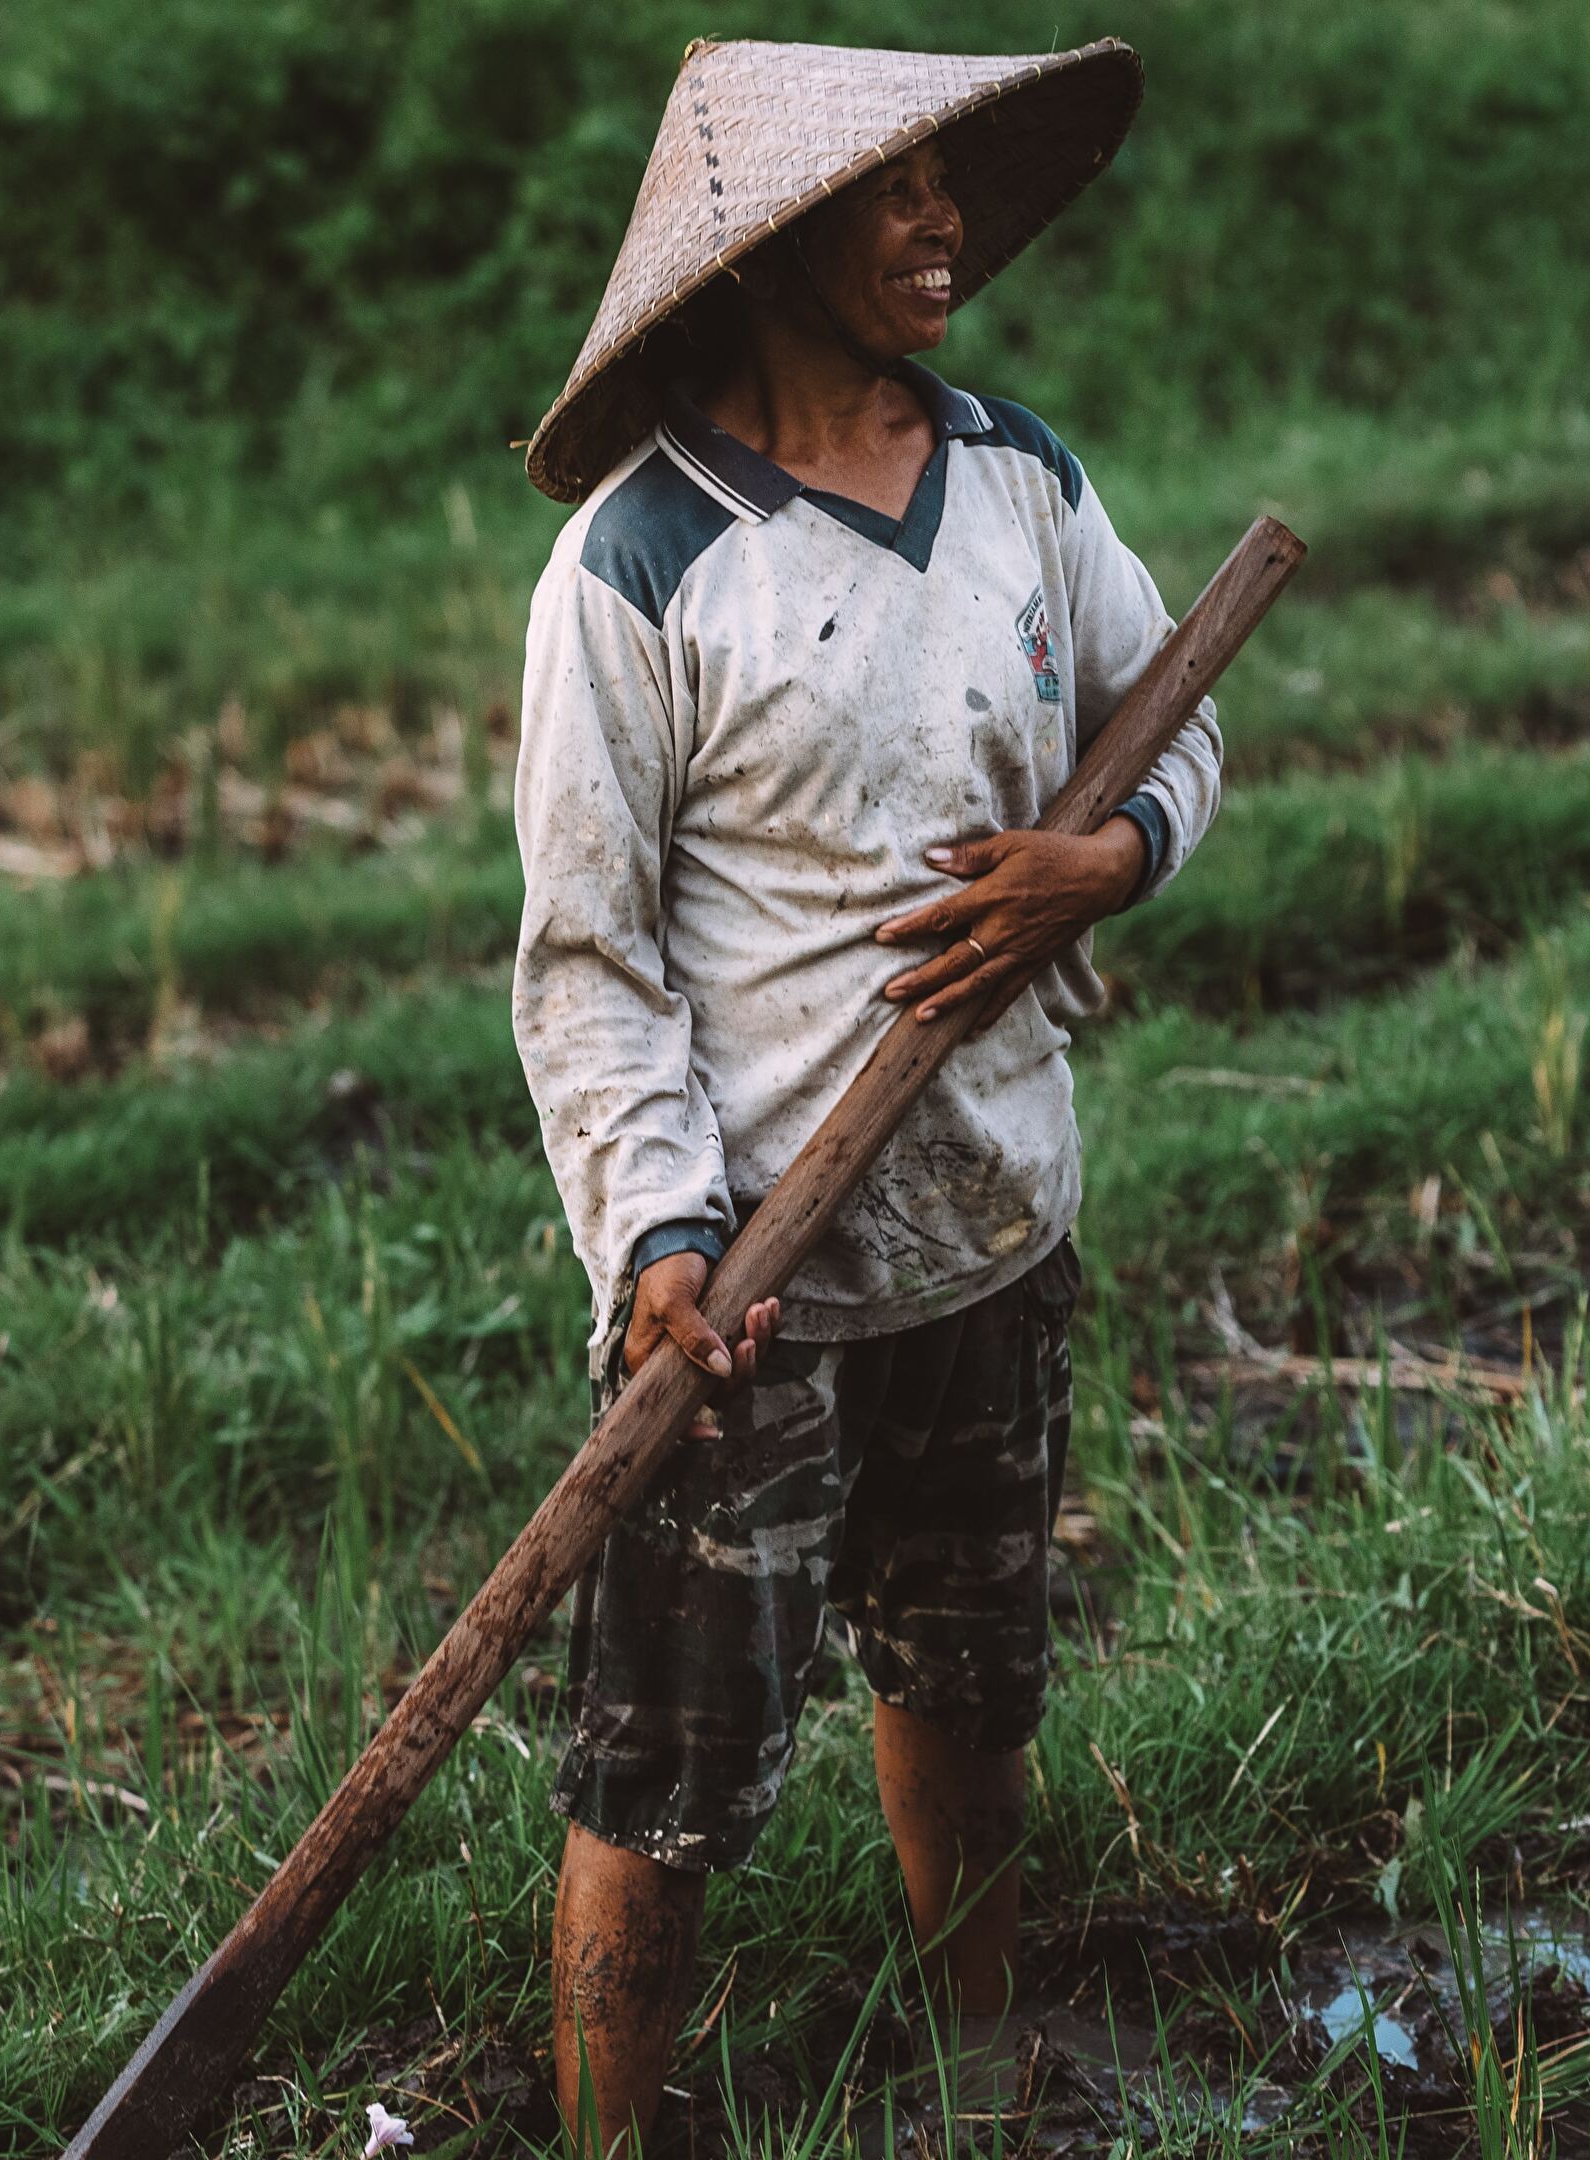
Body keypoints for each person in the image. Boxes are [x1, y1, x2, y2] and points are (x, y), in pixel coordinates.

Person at [505, 37, 1202, 2156]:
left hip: (992, 1219)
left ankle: (979, 2069)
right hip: (758, 1290)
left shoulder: (1019, 478)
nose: (944, 224)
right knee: (671, 1766)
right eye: (896, 193)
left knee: (971, 1682)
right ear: (771, 248)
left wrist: (1115, 856)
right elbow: (588, 967)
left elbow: (1176, 721)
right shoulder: (640, 568)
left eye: (947, 188)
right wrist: (662, 1241)